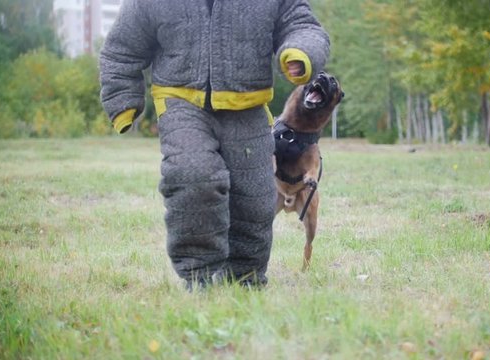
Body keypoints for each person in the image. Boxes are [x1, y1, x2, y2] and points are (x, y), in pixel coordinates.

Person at [99, 0, 330, 290]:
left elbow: (302, 25)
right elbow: (123, 47)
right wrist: (122, 99)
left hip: (247, 103)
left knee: (254, 197)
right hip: (180, 101)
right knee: (192, 174)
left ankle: (244, 275)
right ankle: (199, 275)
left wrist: (301, 51)